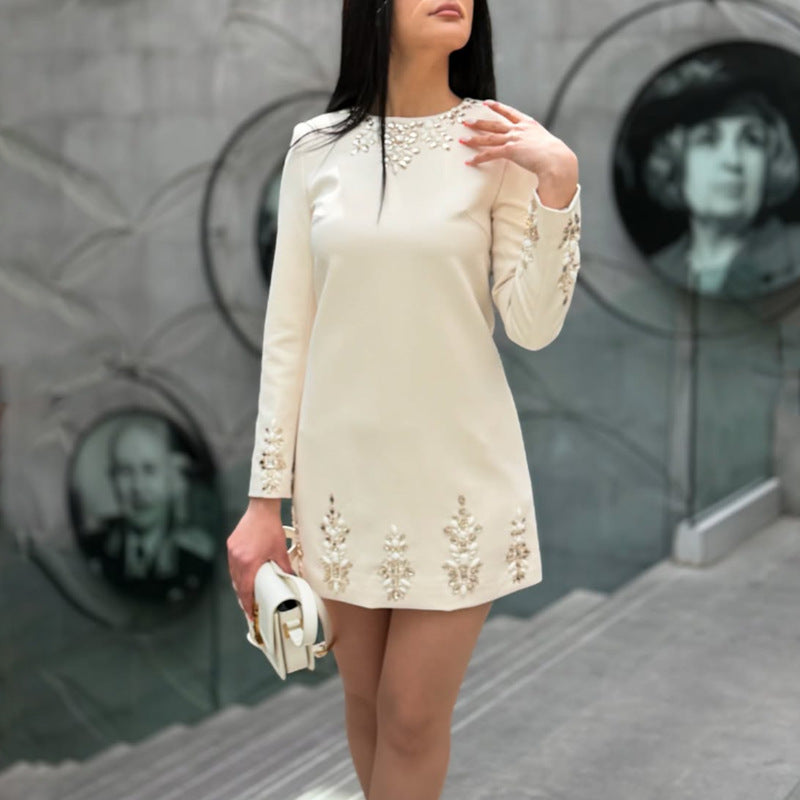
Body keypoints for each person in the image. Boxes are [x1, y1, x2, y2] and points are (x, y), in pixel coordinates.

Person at [227, 1, 581, 797]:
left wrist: (557, 184)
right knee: (365, 703)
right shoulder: (314, 148)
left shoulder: (503, 144)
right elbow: (289, 333)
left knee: (413, 716)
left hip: (459, 479)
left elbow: (532, 326)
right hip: (341, 482)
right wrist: (263, 502)